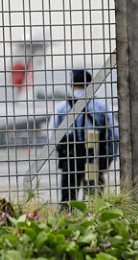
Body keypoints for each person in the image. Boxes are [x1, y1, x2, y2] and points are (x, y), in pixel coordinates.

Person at [49, 69, 119, 203]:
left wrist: (60, 154)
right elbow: (114, 133)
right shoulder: (101, 105)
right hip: (94, 156)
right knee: (94, 200)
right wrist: (110, 157)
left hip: (71, 156)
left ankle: (68, 220)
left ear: (71, 85)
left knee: (68, 200)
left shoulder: (62, 107)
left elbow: (53, 135)